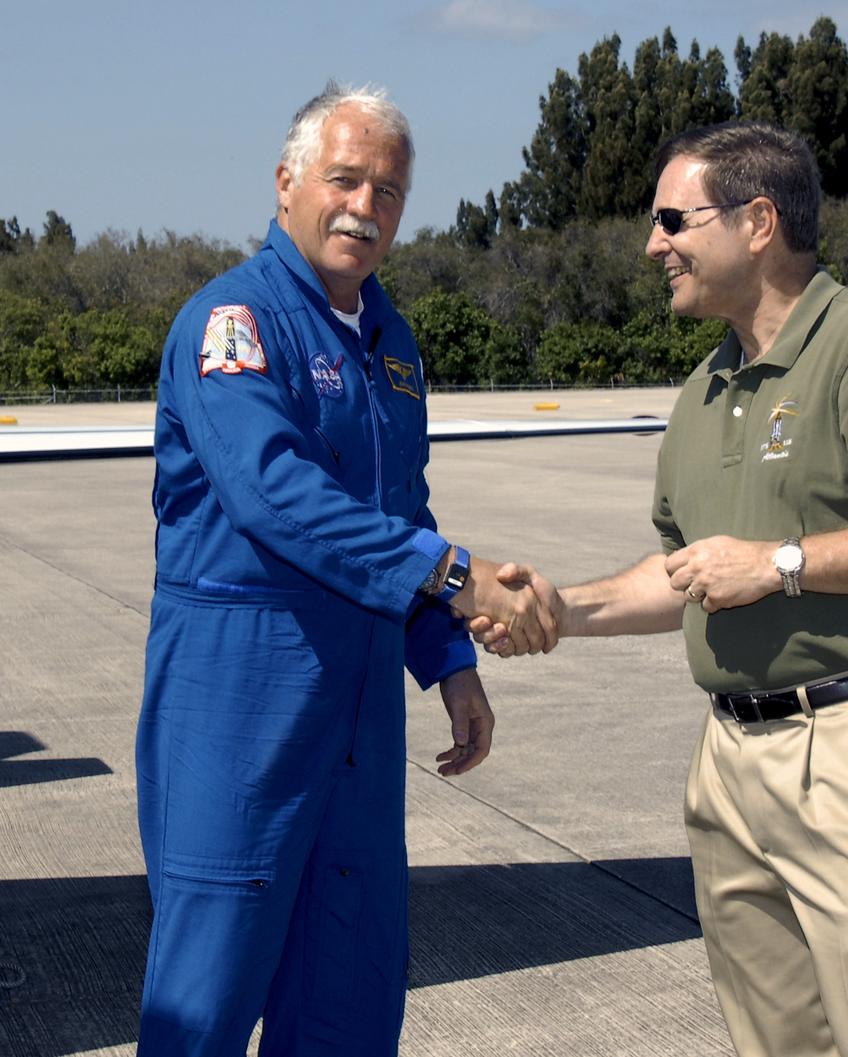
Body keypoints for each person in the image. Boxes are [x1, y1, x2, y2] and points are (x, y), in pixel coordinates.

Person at [473, 121, 848, 1057]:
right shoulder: (705, 388)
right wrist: (561, 610)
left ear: (760, 220)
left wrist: (782, 562)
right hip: (731, 761)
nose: (654, 244)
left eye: (672, 219)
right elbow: (689, 569)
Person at [135, 82, 555, 1055]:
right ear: (286, 184)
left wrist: (448, 661)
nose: (366, 206)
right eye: (345, 179)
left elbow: (396, 511)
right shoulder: (233, 324)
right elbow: (274, 496)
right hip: (239, 724)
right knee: (200, 1012)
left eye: (390, 190)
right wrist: (456, 574)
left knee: (350, 1005)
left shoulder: (387, 341)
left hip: (358, 736)